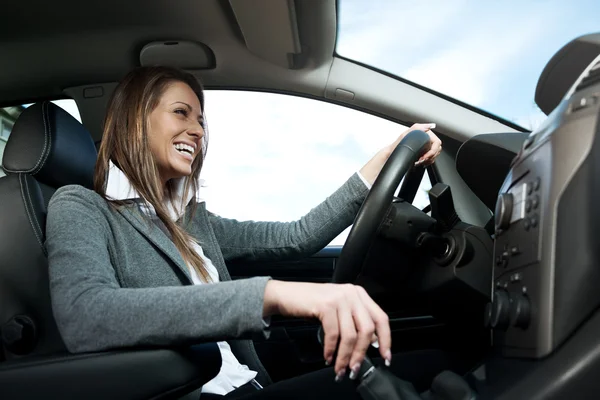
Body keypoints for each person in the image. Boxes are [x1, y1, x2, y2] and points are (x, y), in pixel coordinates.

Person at [46, 66, 444, 399]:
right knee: (427, 375)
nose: (198, 131)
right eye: (181, 113)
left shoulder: (191, 220)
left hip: (251, 387)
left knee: (429, 366)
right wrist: (271, 294)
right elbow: (87, 316)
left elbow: (297, 236)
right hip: (201, 394)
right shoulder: (81, 206)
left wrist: (383, 162)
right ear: (136, 119)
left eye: (200, 120)